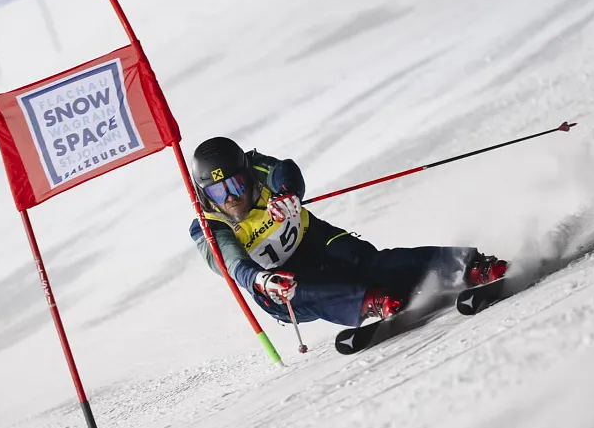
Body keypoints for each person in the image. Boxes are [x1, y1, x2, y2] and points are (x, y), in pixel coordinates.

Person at [188, 137, 509, 327]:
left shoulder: (256, 168)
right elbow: (230, 261)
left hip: (311, 240)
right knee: (302, 289)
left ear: (246, 175)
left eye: (235, 184)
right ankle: (369, 300)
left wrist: (288, 195)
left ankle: (471, 265)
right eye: (218, 192)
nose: (230, 197)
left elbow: (285, 170)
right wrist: (261, 279)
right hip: (277, 281)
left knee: (370, 263)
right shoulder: (208, 225)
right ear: (206, 194)